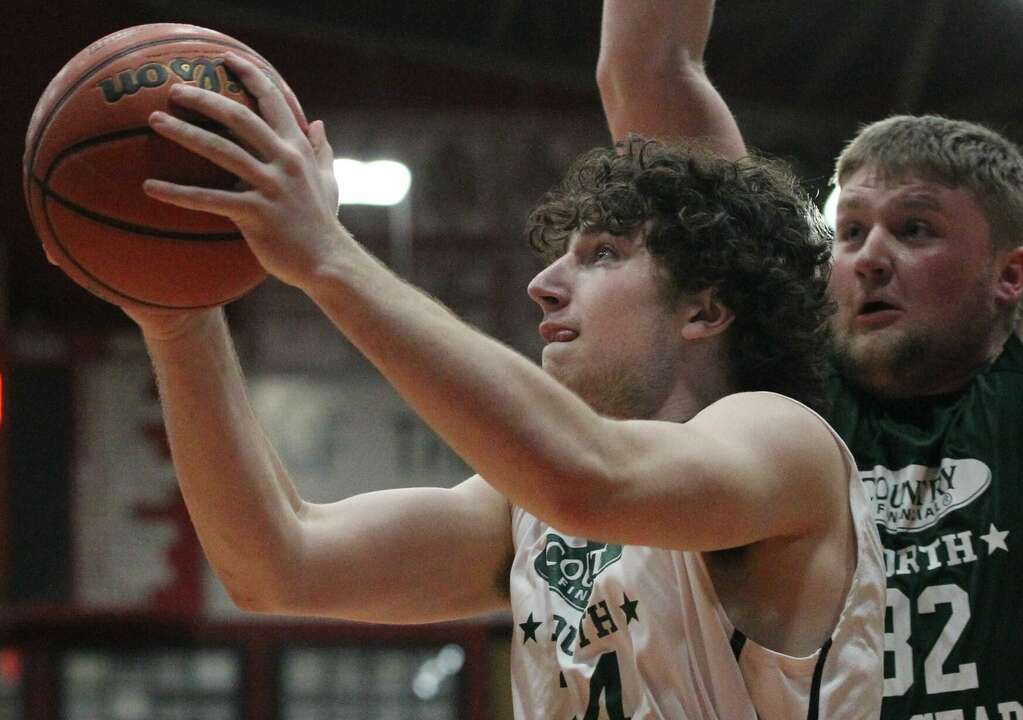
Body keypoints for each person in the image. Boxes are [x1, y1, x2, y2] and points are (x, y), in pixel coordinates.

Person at [122, 53, 886, 718]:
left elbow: (591, 479)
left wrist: (327, 255)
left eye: (603, 255)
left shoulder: (784, 443)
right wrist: (178, 317)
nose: (544, 284)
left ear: (706, 307)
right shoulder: (526, 509)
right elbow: (278, 563)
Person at [596, 0, 1023, 718]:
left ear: (1010, 274)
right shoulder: (786, 395)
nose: (870, 257)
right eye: (848, 230)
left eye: (914, 229)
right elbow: (648, 67)